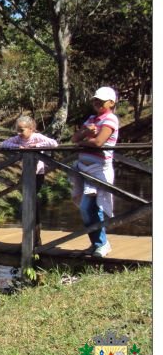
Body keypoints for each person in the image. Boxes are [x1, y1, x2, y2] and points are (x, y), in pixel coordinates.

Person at [70, 86, 119, 258]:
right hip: (84, 169)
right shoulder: (92, 118)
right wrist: (84, 132)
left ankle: (102, 243)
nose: (97, 103)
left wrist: (83, 142)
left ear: (111, 102)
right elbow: (74, 138)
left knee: (90, 207)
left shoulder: (110, 119)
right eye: (95, 100)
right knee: (87, 209)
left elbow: (99, 142)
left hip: (99, 170)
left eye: (101, 100)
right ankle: (97, 243)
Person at [1, 115, 58, 244]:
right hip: (25, 174)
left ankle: (34, 238)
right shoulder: (18, 139)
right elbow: (3, 144)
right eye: (17, 130)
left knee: (30, 203)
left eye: (22, 130)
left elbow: (53, 143)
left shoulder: (37, 137)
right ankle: (31, 238)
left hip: (38, 174)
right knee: (29, 203)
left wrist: (36, 146)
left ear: (31, 129)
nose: (19, 133)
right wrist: (17, 147)